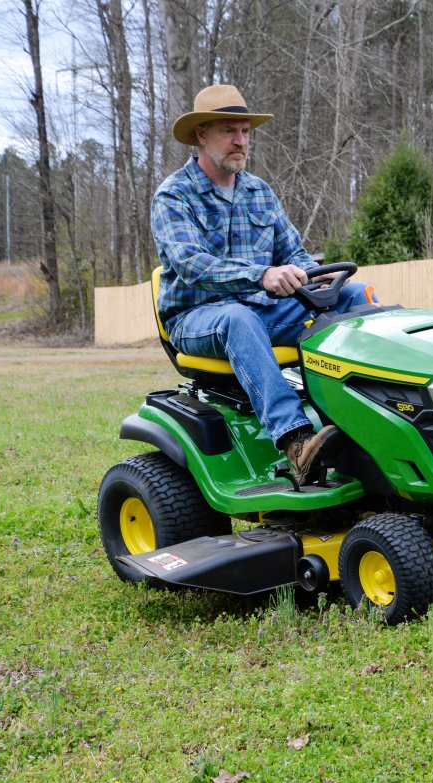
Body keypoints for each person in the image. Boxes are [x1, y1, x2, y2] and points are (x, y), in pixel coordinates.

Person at [151, 84, 369, 486]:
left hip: (263, 307)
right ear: (202, 135)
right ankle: (296, 441)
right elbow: (189, 262)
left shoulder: (259, 192)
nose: (240, 141)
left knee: (355, 295)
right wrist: (261, 275)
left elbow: (295, 252)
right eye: (229, 131)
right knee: (238, 317)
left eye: (246, 132)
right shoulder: (174, 195)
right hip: (197, 316)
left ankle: (372, 416)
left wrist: (312, 275)